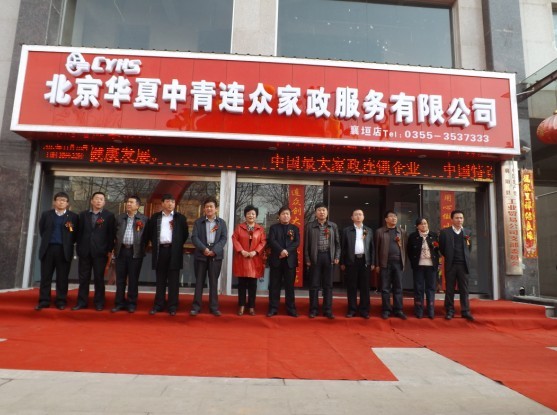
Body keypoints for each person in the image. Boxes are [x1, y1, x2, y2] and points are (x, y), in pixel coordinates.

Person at [35, 192, 79, 310]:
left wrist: (68, 241)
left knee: (62, 277)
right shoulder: (46, 215)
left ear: (67, 203)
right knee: (46, 277)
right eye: (59, 200)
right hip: (48, 249)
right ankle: (44, 300)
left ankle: (61, 301)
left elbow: (74, 234)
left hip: (64, 250)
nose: (61, 202)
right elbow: (42, 230)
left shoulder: (73, 217)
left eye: (64, 200)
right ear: (54, 202)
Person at [148, 194, 189, 316]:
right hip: (160, 251)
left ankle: (172, 306)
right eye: (168, 201)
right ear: (162, 203)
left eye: (172, 201)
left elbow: (185, 234)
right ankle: (158, 305)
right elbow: (150, 233)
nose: (170, 204)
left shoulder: (180, 218)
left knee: (174, 280)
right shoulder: (155, 217)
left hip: (174, 251)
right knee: (160, 279)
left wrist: (176, 244)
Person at [73, 192, 115, 311]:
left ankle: (99, 303)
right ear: (92, 201)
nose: (98, 201)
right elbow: (78, 233)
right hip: (85, 251)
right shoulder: (83, 215)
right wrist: (79, 248)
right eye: (96, 198)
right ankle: (82, 302)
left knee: (99, 279)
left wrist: (108, 250)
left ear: (104, 202)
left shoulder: (109, 216)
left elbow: (111, 234)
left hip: (100, 253)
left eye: (101, 199)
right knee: (83, 278)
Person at [190, 196, 228, 316]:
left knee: (213, 282)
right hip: (201, 255)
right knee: (199, 282)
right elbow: (194, 237)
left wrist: (214, 250)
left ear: (216, 209)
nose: (209, 209)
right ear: (204, 209)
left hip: (215, 256)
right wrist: (204, 249)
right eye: (207, 207)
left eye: (211, 206)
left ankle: (214, 307)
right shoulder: (198, 222)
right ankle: (196, 307)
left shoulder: (221, 223)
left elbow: (224, 238)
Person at [111, 195, 149, 313]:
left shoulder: (144, 219)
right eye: (127, 202)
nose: (128, 204)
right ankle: (119, 303)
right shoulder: (120, 218)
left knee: (133, 279)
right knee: (120, 279)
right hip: (121, 251)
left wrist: (141, 249)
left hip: (135, 252)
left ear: (137, 206)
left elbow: (146, 237)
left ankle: (132, 303)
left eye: (131, 202)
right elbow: (113, 234)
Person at [304, 202, 340, 319]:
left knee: (328, 285)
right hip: (315, 257)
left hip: (329, 257)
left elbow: (337, 244)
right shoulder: (310, 226)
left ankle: (327, 310)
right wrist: (307, 258)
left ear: (327, 212)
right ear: (315, 213)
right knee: (314, 284)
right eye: (319, 210)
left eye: (324, 210)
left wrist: (337, 256)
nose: (322, 212)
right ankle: (313, 310)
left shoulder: (333, 226)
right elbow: (306, 245)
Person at [439, 210, 474, 321]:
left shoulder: (467, 232)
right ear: (452, 219)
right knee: (450, 289)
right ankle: (449, 311)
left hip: (463, 265)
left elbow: (469, 248)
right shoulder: (445, 232)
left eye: (461, 218)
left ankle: (465, 311)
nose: (459, 220)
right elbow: (442, 248)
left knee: (464, 289)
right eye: (457, 218)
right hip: (451, 265)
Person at [231, 205, 267, 316]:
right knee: (241, 284)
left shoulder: (260, 229)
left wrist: (255, 252)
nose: (251, 215)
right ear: (245, 215)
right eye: (248, 213)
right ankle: (241, 305)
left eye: (253, 214)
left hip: (254, 259)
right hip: (242, 258)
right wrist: (241, 251)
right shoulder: (239, 227)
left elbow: (263, 242)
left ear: (256, 216)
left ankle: (251, 306)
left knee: (253, 285)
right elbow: (234, 239)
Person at [340, 208, 374, 319]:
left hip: (365, 261)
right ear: (352, 217)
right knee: (352, 286)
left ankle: (364, 310)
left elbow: (372, 248)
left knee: (365, 287)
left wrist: (372, 262)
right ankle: (352, 309)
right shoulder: (346, 230)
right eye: (356, 214)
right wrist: (342, 262)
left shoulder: (368, 230)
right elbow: (343, 248)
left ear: (363, 217)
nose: (358, 216)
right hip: (351, 261)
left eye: (360, 214)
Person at [266, 206, 300, 317]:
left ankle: (291, 309)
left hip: (290, 261)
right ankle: (273, 308)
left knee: (289, 286)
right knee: (274, 285)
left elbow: (297, 242)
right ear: (279, 216)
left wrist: (286, 251)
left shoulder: (295, 228)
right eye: (283, 214)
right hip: (276, 260)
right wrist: (281, 250)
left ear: (290, 216)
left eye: (287, 214)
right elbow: (272, 241)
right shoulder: (273, 228)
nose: (285, 216)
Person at [374, 210, 408, 320]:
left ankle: (398, 310)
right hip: (385, 263)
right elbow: (376, 249)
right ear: (386, 219)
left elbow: (405, 248)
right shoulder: (380, 232)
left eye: (395, 217)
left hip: (398, 263)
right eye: (391, 216)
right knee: (385, 288)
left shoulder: (402, 232)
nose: (394, 218)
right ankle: (386, 310)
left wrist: (404, 263)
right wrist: (377, 264)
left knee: (398, 287)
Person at [407, 218, 440, 319]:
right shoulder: (413, 236)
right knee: (418, 288)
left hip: (431, 266)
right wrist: (414, 263)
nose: (424, 225)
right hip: (419, 266)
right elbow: (409, 251)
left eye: (425, 223)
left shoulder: (434, 235)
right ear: (417, 226)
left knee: (431, 288)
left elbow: (438, 251)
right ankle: (419, 310)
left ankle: (430, 310)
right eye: (421, 224)